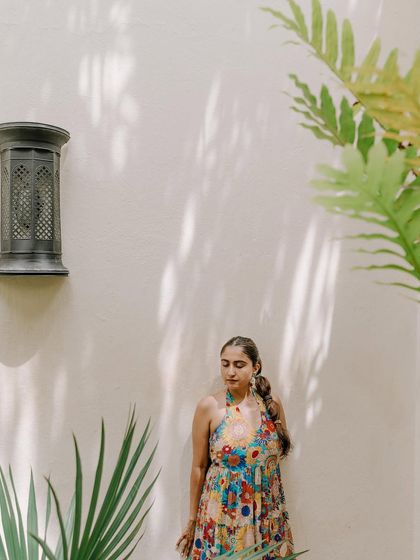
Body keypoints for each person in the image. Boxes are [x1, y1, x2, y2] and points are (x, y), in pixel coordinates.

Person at [176, 336, 294, 559]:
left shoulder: (272, 404)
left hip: (267, 513)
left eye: (239, 365)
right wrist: (192, 520)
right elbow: (199, 467)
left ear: (255, 367)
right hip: (224, 514)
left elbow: (276, 456)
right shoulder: (209, 407)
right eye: (225, 364)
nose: (230, 371)